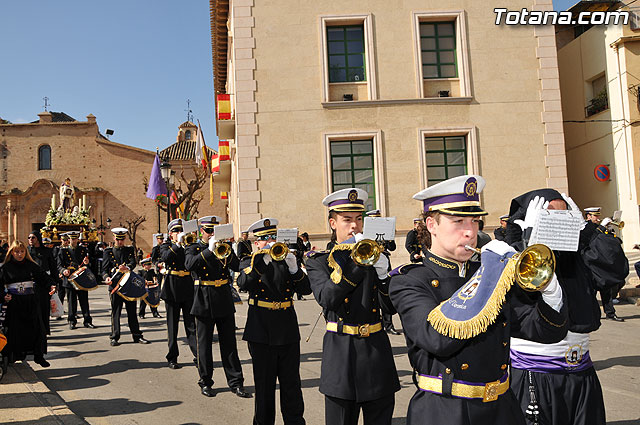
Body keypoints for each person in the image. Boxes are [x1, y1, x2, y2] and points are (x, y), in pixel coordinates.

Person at [389, 175, 568, 425]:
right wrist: (488, 274)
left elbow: (541, 330)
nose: (470, 232)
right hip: (445, 411)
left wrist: (550, 289)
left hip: (503, 407)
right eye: (458, 221)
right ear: (432, 224)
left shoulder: (486, 274)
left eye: (475, 221)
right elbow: (437, 338)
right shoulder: (409, 280)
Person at [507, 191, 628, 425]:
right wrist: (529, 241)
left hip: (581, 368)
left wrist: (586, 230)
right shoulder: (512, 251)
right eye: (550, 213)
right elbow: (520, 296)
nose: (558, 218)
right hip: (536, 373)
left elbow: (614, 271)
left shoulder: (579, 252)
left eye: (564, 214)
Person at [306, 188, 400, 425]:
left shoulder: (374, 257)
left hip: (376, 353)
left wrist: (383, 275)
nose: (354, 226)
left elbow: (390, 307)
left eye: (359, 219)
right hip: (341, 355)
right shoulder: (319, 262)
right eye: (347, 220)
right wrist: (356, 264)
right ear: (332, 223)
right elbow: (328, 298)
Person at [238, 217, 311, 424]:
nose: (269, 243)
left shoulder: (286, 259)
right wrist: (261, 264)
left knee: (292, 386)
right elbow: (243, 283)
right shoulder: (250, 261)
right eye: (264, 239)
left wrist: (295, 268)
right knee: (264, 388)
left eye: (272, 237)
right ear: (256, 243)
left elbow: (306, 289)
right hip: (261, 330)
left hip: (286, 328)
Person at [184, 216, 251, 398]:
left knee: (229, 344)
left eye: (214, 231)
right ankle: (205, 382)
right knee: (204, 345)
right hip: (203, 299)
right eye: (208, 231)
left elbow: (237, 266)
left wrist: (231, 252)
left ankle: (236, 383)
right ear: (201, 232)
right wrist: (209, 250)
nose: (211, 234)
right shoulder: (193, 248)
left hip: (223, 297)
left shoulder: (226, 248)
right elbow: (189, 264)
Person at [1, 241, 56, 368]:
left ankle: (39, 355)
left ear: (25, 252)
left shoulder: (31, 265)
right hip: (14, 302)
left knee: (37, 329)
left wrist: (51, 285)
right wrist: (4, 296)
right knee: (16, 330)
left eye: (22, 251)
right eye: (16, 252)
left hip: (30, 301)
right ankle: (15, 355)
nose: (19, 254)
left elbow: (43, 277)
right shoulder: (6, 268)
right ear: (11, 253)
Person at [159, 219, 198, 369]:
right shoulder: (166, 245)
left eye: (182, 230)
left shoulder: (190, 245)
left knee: (191, 325)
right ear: (170, 234)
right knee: (172, 326)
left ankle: (198, 355)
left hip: (187, 286)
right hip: (172, 288)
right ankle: (172, 357)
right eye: (176, 231)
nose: (180, 233)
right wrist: (178, 244)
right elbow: (166, 257)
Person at [102, 228, 148, 346]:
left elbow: (133, 263)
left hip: (128, 285)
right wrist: (106, 277)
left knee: (132, 312)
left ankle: (137, 335)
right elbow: (103, 269)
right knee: (116, 312)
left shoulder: (129, 250)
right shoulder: (108, 251)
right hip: (115, 286)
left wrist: (127, 268)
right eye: (118, 239)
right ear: (114, 238)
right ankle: (114, 336)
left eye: (122, 239)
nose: (120, 242)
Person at [365, 209, 400, 336]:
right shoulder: (365, 232)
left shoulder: (384, 231)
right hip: (371, 265)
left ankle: (389, 325)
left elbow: (393, 248)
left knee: (386, 293)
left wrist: (390, 238)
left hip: (385, 263)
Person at [56, 231, 95, 330]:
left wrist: (87, 263)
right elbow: (59, 265)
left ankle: (87, 320)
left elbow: (88, 264)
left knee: (84, 300)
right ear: (68, 239)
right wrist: (64, 270)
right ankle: (72, 320)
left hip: (81, 278)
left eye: (75, 239)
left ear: (78, 239)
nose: (73, 241)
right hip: (70, 279)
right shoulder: (63, 251)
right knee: (71, 301)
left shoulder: (82, 250)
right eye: (71, 239)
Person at [27, 232, 57, 331]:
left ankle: (44, 330)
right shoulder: (27, 251)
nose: (30, 239)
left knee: (44, 308)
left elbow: (53, 268)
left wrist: (54, 283)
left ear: (38, 239)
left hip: (44, 284)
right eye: (29, 237)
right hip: (30, 284)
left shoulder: (47, 251)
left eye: (33, 237)